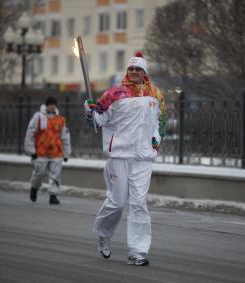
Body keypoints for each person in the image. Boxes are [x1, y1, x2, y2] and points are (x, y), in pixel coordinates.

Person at [84, 52, 167, 266]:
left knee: (139, 203)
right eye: (131, 69)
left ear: (144, 72)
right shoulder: (114, 93)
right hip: (119, 155)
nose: (134, 72)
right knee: (118, 202)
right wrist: (90, 112)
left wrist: (155, 140)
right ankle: (103, 234)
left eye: (138, 69)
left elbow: (162, 120)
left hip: (143, 158)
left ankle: (137, 252)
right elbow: (98, 120)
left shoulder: (155, 95)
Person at [24, 97, 71, 205]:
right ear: (46, 106)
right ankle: (34, 188)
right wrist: (31, 151)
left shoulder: (60, 119)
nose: (52, 106)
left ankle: (53, 196)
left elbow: (65, 137)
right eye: (50, 104)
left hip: (56, 152)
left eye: (54, 104)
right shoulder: (38, 118)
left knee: (55, 175)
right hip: (41, 152)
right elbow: (30, 134)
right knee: (39, 173)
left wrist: (66, 153)